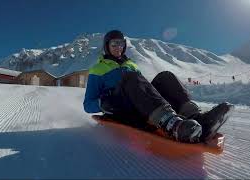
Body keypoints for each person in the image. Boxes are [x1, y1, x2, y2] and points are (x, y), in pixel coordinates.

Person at [83, 30, 231, 143]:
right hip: (119, 108)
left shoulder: (131, 65)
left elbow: (143, 89)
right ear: (106, 46)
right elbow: (88, 104)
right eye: (114, 44)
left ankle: (197, 119)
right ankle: (173, 125)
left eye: (121, 43)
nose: (118, 47)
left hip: (138, 105)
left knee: (165, 77)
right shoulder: (98, 69)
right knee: (130, 77)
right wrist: (103, 103)